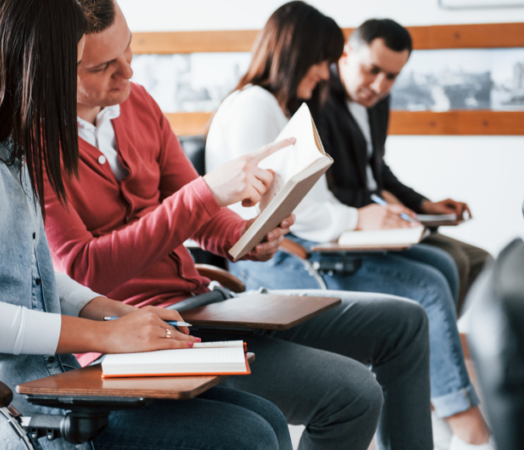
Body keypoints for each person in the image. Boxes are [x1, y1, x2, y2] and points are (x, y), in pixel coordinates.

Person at [0, 1, 292, 448]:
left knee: (266, 418)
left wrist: (112, 311)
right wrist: (105, 335)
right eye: (72, 67)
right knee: (247, 435)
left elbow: (27, 270)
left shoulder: (2, 141)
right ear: (30, 65)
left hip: (27, 387)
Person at [43, 1, 433, 449]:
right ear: (52, 71)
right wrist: (204, 194)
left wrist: (248, 236)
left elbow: (199, 212)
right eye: (103, 67)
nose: (128, 72)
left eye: (128, 50)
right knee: (353, 393)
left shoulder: (138, 103)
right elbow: (83, 271)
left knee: (405, 322)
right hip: (143, 329)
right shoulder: (34, 140)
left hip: (206, 302)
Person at [205, 3, 494, 450]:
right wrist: (358, 218)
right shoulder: (256, 107)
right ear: (298, 54)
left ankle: (434, 399)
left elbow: (317, 198)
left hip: (309, 240)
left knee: (442, 269)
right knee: (429, 284)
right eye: (322, 61)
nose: (326, 73)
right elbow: (269, 210)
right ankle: (460, 418)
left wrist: (383, 212)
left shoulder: (275, 107)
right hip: (284, 256)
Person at [314, 19, 492, 312]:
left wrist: (424, 204)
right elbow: (324, 190)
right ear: (346, 54)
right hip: (348, 224)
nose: (379, 86)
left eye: (391, 76)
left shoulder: (378, 101)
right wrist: (378, 200)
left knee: (482, 261)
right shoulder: (317, 99)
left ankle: (430, 334)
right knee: (455, 262)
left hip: (383, 217)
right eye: (372, 70)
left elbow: (377, 171)